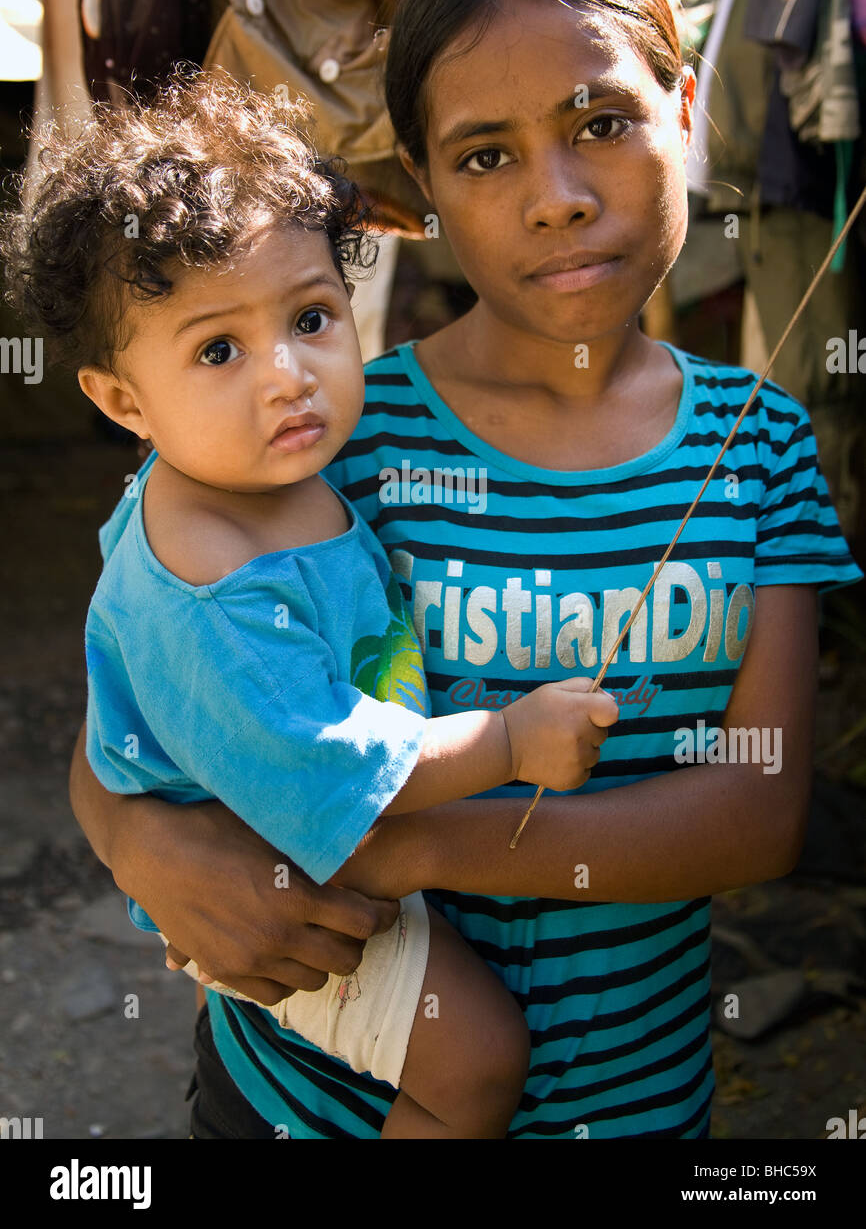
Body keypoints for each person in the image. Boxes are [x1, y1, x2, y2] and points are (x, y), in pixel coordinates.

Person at [67, 0, 860, 1140]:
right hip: (297, 1100)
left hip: (633, 1106)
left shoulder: (756, 445)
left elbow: (755, 814)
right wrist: (133, 836)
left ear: (685, 106)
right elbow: (142, 670)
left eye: (599, 123)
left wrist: (403, 850)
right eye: (483, 156)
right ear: (423, 187)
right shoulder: (321, 436)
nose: (553, 198)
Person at [1, 69, 619, 1140]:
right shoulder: (209, 577)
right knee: (475, 1059)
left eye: (311, 315)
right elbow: (343, 772)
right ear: (120, 401)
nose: (287, 375)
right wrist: (514, 737)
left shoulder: (242, 471)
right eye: (218, 349)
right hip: (281, 884)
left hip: (292, 844)